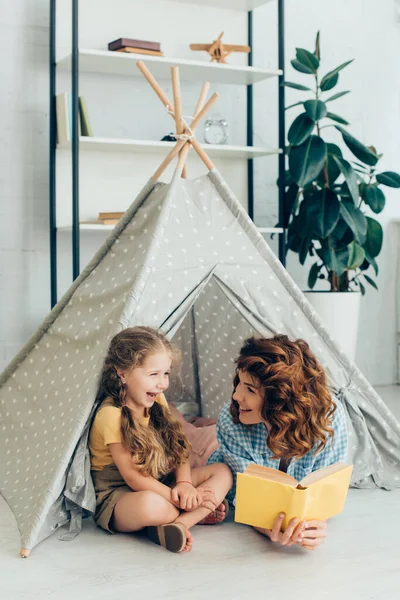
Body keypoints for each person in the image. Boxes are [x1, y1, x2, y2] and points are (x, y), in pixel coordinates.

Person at [89, 326, 232, 553]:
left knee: (222, 472)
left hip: (160, 481)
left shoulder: (158, 400)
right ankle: (194, 511)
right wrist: (180, 499)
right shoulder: (111, 415)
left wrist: (184, 484)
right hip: (120, 495)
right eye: (153, 374)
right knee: (151, 506)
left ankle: (180, 524)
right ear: (122, 373)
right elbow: (134, 479)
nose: (162, 383)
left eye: (165, 374)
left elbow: (179, 447)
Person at [208, 334, 348, 551]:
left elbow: (326, 489)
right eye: (239, 384)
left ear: (280, 399)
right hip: (215, 455)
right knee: (191, 437)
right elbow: (248, 498)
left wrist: (314, 525)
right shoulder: (230, 419)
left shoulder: (328, 418)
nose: (236, 395)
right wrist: (267, 527)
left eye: (250, 389)